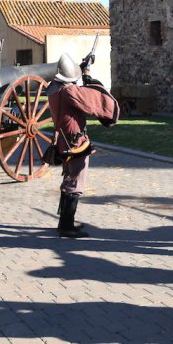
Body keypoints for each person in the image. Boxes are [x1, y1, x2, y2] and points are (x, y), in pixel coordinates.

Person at [48, 53, 119, 238]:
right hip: (74, 141)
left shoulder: (54, 87)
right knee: (75, 182)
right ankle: (66, 226)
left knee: (68, 180)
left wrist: (81, 72)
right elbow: (93, 99)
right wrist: (87, 75)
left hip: (63, 140)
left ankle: (64, 223)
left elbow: (78, 93)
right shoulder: (69, 91)